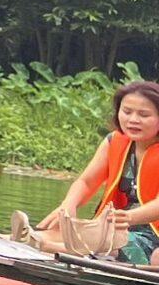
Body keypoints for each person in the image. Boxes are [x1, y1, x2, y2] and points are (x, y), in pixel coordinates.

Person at [38, 79, 159, 264]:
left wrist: (128, 217)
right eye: (126, 112)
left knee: (115, 244)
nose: (133, 120)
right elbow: (86, 182)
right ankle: (33, 240)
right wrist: (68, 204)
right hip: (114, 228)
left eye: (143, 114)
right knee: (57, 231)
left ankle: (46, 247)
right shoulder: (114, 142)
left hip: (149, 236)